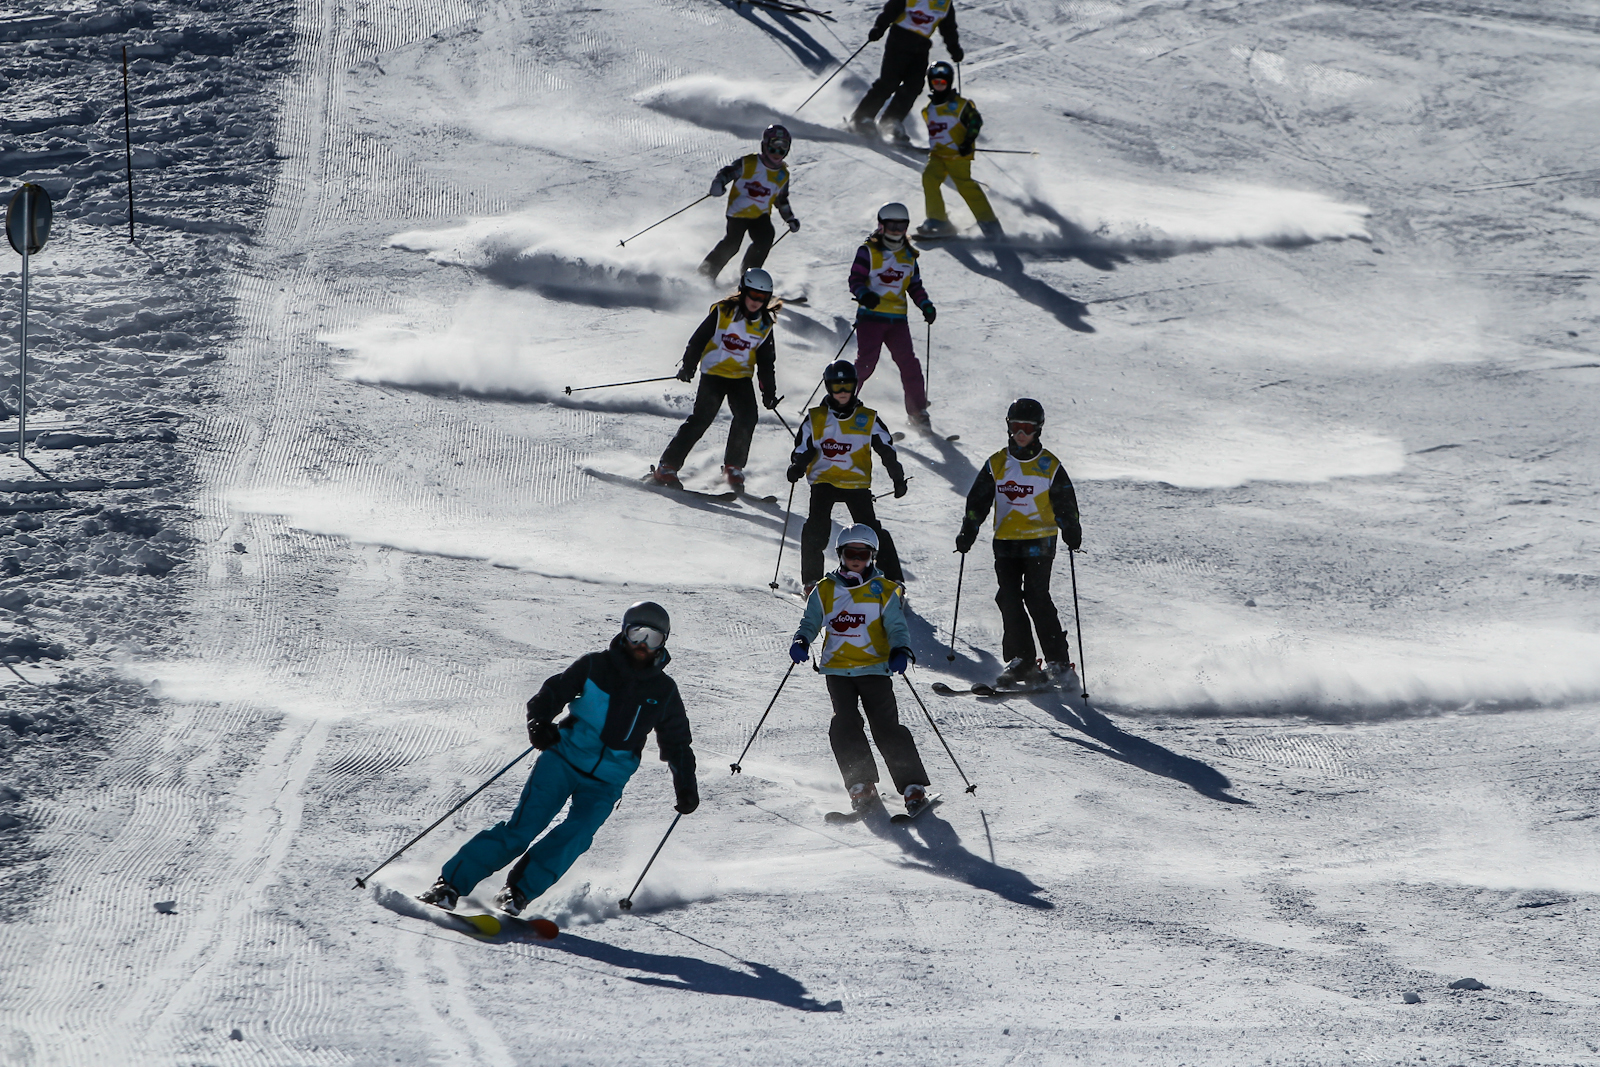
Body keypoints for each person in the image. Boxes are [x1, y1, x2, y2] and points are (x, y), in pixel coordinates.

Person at [418, 601, 699, 915]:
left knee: (577, 834)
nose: (643, 645)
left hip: (608, 779)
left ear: (663, 643)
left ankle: (517, 892)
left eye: (653, 638)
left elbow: (677, 742)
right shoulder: (595, 666)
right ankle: (449, 884)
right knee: (523, 828)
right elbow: (552, 693)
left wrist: (686, 786)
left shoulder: (663, 691)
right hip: (563, 760)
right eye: (637, 634)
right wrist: (539, 723)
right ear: (624, 632)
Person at [791, 524, 932, 817]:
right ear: (841, 554)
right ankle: (860, 783)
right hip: (838, 670)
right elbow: (811, 621)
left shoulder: (885, 590)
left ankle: (912, 785)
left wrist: (900, 650)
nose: (856, 559)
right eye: (851, 553)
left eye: (863, 554)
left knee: (886, 727)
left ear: (872, 556)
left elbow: (897, 627)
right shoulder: (825, 590)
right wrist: (802, 639)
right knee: (844, 725)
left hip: (875, 669)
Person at [955, 399, 1084, 689]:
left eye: (1027, 428)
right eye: (1016, 427)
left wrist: (1071, 528)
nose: (1021, 434)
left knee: (1036, 597)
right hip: (1006, 541)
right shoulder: (998, 463)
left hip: (1040, 540)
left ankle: (1059, 662)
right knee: (1008, 598)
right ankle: (1022, 660)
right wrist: (968, 530)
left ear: (1038, 429)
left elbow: (1065, 500)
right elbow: (978, 500)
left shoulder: (1048, 465)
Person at [651, 268, 781, 492]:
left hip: (740, 377)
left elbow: (766, 362)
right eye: (753, 295)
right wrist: (689, 366)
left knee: (747, 417)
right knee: (702, 418)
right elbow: (698, 339)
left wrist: (768, 393)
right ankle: (667, 466)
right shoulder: (724, 312)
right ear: (743, 291)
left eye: (762, 298)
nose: (756, 301)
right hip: (714, 374)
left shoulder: (764, 325)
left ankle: (733, 467)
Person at [789, 360, 908, 592]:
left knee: (871, 531)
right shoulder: (816, 418)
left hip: (856, 484)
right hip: (824, 481)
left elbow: (886, 449)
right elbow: (803, 448)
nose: (842, 392)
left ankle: (893, 580)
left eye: (848, 386)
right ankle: (812, 582)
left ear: (855, 386)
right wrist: (797, 465)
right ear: (828, 387)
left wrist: (897, 477)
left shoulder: (868, 418)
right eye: (837, 386)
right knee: (815, 528)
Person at [849, 202, 936, 429]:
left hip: (897, 320)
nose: (896, 231)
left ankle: (917, 412)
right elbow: (855, 279)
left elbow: (914, 285)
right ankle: (843, 402)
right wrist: (865, 295)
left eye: (901, 226)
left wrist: (925, 305)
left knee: (909, 364)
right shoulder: (868, 251)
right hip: (871, 317)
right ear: (881, 225)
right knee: (866, 362)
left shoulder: (909, 255)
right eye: (892, 226)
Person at [849, 0, 963, 143]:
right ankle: (862, 118)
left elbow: (948, 27)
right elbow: (891, 9)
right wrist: (880, 27)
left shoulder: (945, 3)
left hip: (921, 46)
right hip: (899, 39)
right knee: (889, 82)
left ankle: (891, 121)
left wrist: (954, 48)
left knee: (914, 85)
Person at [699, 124, 800, 282]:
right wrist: (719, 183)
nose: (777, 153)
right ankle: (705, 274)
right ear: (764, 145)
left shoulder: (782, 175)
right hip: (738, 213)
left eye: (783, 148)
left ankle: (749, 277)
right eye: (773, 147)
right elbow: (728, 172)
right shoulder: (749, 163)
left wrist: (789, 218)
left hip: (760, 215)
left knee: (765, 238)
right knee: (732, 244)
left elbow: (781, 200)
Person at [916, 61, 1001, 240]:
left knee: (965, 185)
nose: (939, 85)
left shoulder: (961, 105)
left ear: (949, 82)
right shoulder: (929, 109)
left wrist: (968, 141)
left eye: (943, 82)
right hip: (938, 155)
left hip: (958, 155)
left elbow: (975, 121)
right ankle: (939, 221)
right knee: (929, 178)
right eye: (936, 82)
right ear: (930, 83)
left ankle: (989, 223)